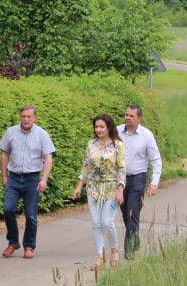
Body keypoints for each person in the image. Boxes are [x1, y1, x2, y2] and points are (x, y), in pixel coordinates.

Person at [0, 104, 55, 259]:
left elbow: (48, 158)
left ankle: (29, 246)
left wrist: (44, 179)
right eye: (23, 116)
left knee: (31, 215)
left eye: (29, 116)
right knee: (8, 209)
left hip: (32, 179)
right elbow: (4, 154)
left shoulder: (42, 134)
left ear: (34, 118)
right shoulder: (10, 132)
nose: (26, 119)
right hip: (14, 178)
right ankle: (13, 242)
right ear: (20, 117)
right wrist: (4, 175)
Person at [71, 114, 126, 270]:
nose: (99, 130)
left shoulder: (118, 145)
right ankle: (100, 256)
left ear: (109, 127)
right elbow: (86, 166)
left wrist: (120, 189)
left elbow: (122, 169)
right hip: (93, 188)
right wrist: (79, 185)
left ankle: (114, 251)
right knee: (96, 224)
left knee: (107, 222)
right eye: (96, 127)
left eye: (102, 127)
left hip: (111, 188)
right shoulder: (91, 144)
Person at [117, 104, 162, 259]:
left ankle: (128, 251)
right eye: (126, 115)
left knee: (132, 213)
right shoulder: (117, 131)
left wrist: (154, 182)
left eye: (131, 116)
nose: (127, 118)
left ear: (139, 118)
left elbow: (156, 159)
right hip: (120, 179)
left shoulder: (146, 135)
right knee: (124, 214)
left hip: (138, 178)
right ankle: (135, 239)